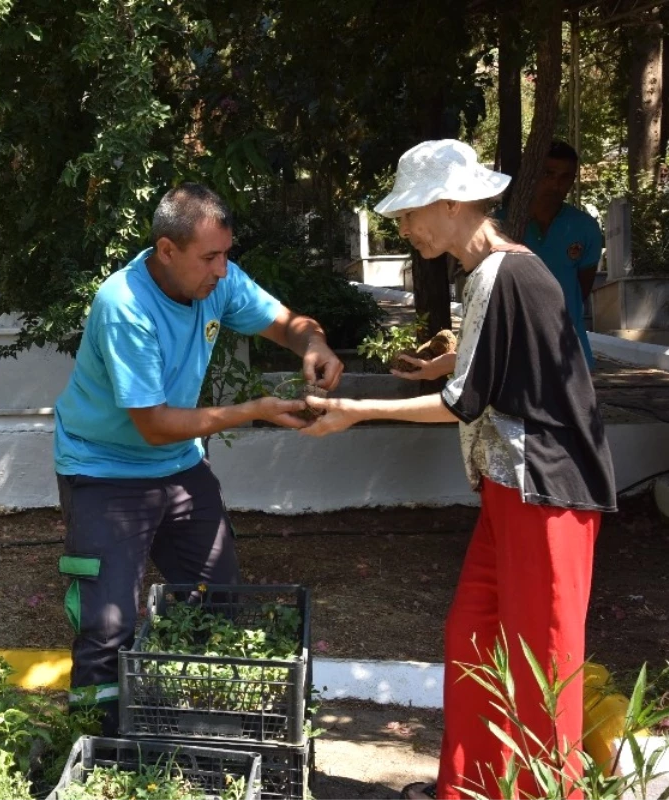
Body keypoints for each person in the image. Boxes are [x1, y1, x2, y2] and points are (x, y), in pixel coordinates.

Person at [301, 140, 616, 800]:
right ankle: (470, 789)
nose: (405, 227)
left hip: (547, 493)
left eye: (411, 212)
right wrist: (448, 362)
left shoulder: (507, 271)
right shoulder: (492, 273)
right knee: (473, 640)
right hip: (510, 491)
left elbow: (464, 402)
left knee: (542, 670)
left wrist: (353, 410)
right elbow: (510, 360)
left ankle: (547, 793)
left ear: (450, 203)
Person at [53, 182, 344, 734]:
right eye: (210, 257)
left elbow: (284, 321)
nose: (222, 269)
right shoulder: (124, 306)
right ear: (167, 251)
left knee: (218, 600)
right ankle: (96, 750)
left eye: (225, 254)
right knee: (107, 624)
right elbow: (155, 424)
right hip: (104, 472)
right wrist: (253, 409)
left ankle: (185, 732)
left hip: (180, 468)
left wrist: (314, 344)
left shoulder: (216, 281)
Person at [524, 140, 603, 369]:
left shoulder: (585, 228)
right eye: (548, 173)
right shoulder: (504, 223)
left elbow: (582, 288)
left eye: (565, 177)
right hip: (517, 351)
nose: (555, 184)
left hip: (569, 353)